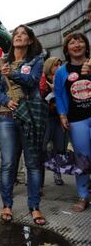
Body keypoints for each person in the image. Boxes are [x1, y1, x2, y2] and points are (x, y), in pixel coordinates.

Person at [0, 24, 46, 225]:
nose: (19, 36)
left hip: (29, 116)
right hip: (6, 117)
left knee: (32, 163)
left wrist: (12, 74)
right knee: (8, 163)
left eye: (24, 34)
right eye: (17, 33)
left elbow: (32, 81)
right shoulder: (2, 61)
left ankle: (34, 206)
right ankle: (7, 204)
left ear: (30, 40)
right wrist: (5, 100)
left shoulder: (36, 60)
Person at [54, 32, 91, 212]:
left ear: (86, 45)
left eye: (80, 41)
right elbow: (59, 95)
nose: (76, 44)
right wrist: (62, 116)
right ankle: (83, 196)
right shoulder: (62, 71)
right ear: (67, 49)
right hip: (77, 121)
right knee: (82, 160)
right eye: (72, 42)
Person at [39, 57, 65, 186]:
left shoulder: (61, 79)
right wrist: (51, 94)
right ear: (49, 66)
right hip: (46, 118)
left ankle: (57, 172)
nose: (59, 67)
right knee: (42, 147)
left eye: (60, 64)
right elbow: (40, 98)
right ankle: (39, 177)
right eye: (56, 65)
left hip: (59, 117)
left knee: (60, 147)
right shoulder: (42, 80)